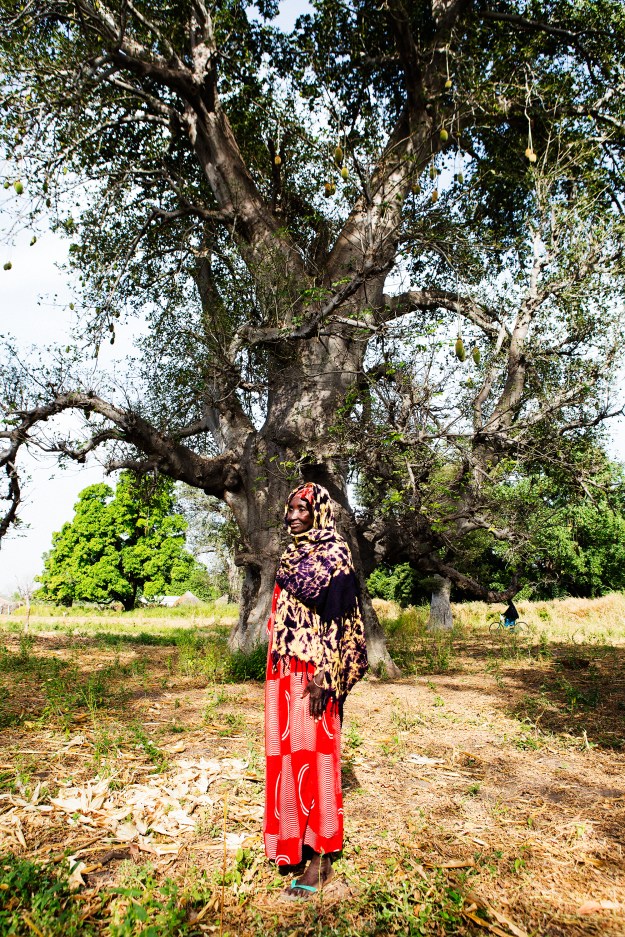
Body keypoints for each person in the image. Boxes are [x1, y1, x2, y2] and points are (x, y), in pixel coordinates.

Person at [263, 483, 368, 898]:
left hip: (314, 673)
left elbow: (342, 621)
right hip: (283, 670)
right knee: (285, 757)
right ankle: (291, 843)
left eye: (301, 509)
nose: (292, 516)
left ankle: (321, 857)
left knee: (317, 759)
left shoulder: (334, 553)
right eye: (289, 509)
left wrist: (327, 673)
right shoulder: (291, 555)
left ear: (319, 512)